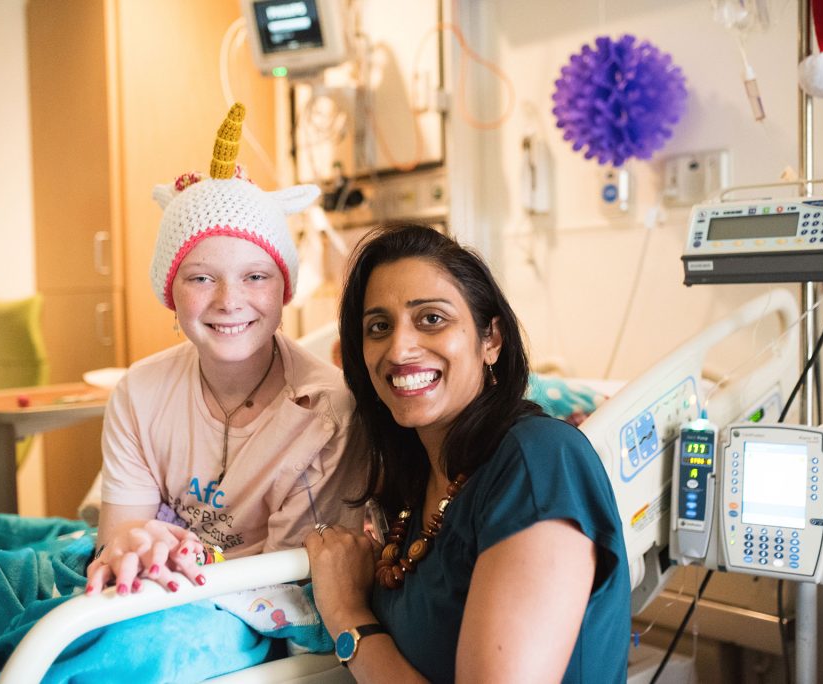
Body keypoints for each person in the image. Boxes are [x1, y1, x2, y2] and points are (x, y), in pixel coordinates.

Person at [304, 223, 631, 682]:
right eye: (379, 327)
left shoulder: (537, 463)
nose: (399, 348)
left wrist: (346, 614)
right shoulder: (416, 481)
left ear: (491, 340)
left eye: (431, 319)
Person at [86, 103, 361, 596]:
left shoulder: (326, 416)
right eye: (201, 278)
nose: (229, 301)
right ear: (171, 292)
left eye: (255, 276)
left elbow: (290, 582)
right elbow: (118, 541)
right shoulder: (140, 395)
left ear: (284, 290)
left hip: (253, 606)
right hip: (150, 591)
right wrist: (135, 547)